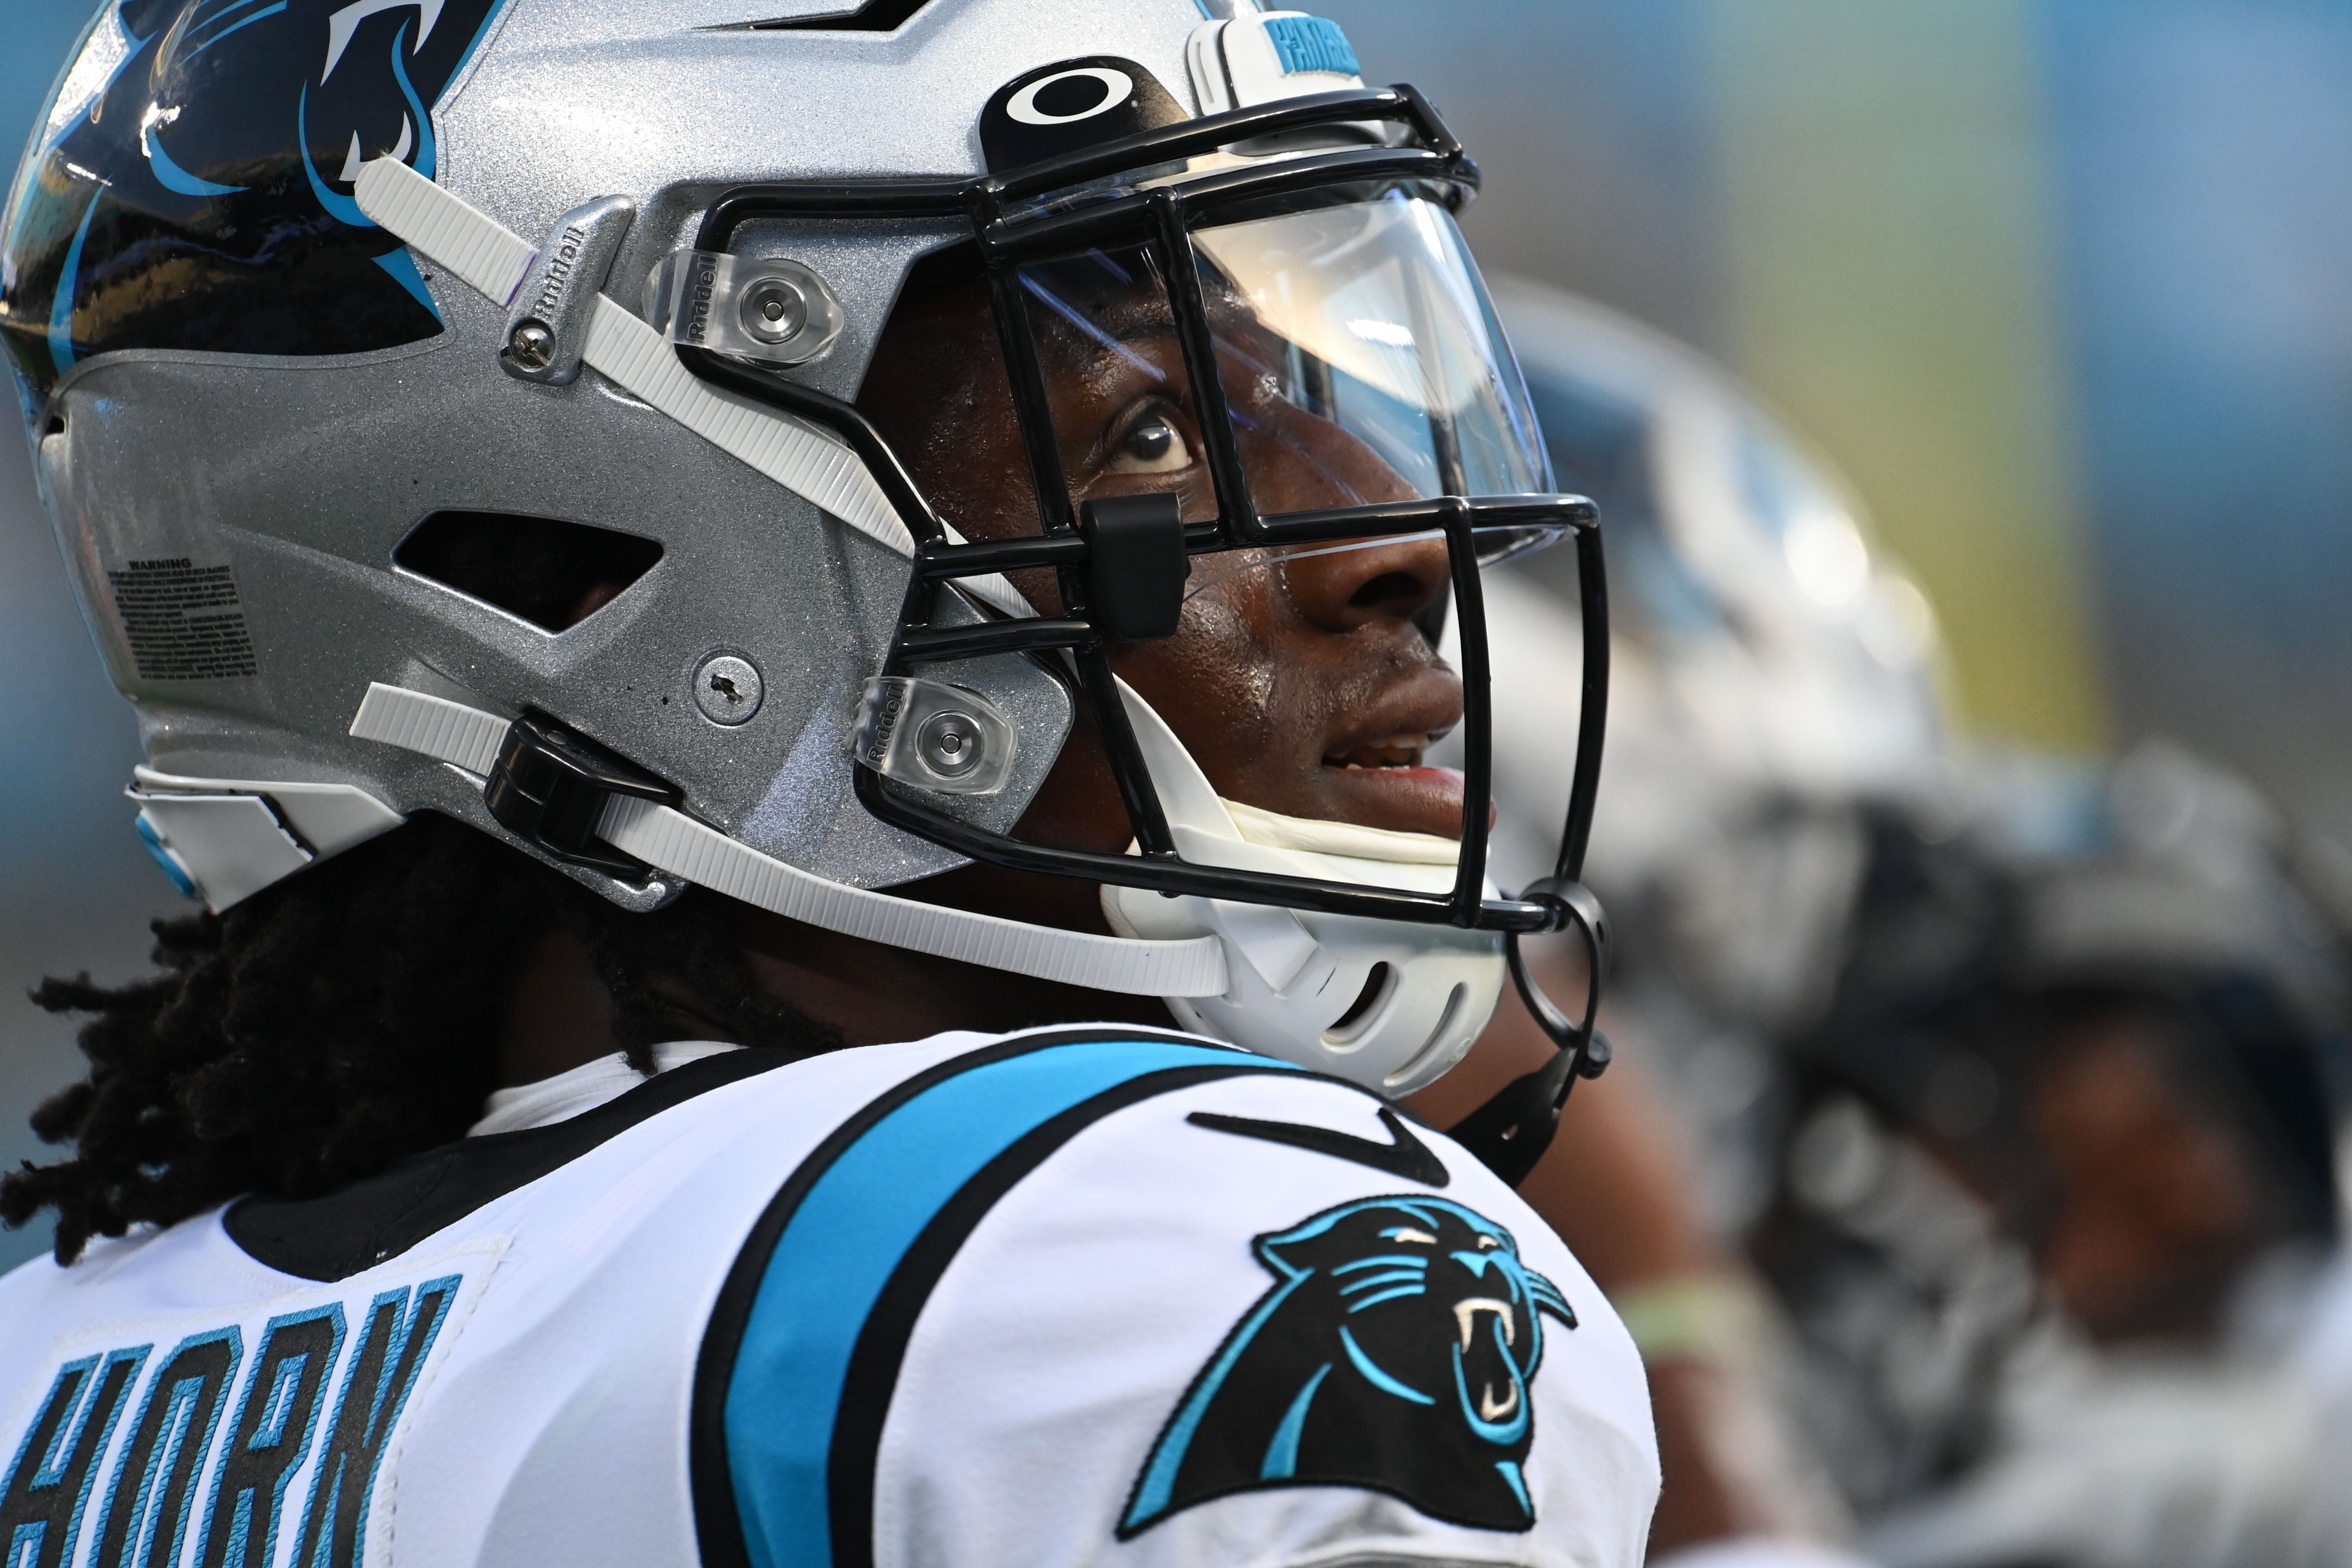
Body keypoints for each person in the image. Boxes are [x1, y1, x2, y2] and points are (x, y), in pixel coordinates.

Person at [0, 4, 1656, 1567]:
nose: (1390, 536)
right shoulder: (1148, 1247)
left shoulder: (40, 1382)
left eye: (1302, 394)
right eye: (1150, 430)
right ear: (618, 604)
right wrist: (1690, 1329)